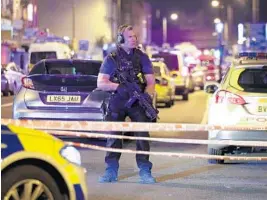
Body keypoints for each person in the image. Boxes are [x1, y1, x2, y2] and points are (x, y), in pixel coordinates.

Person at [97, 24, 156, 184]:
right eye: (130, 36)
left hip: (137, 100)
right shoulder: (112, 58)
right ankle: (111, 171)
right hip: (118, 100)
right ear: (121, 39)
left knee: (142, 136)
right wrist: (119, 87)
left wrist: (147, 96)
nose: (134, 39)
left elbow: (151, 82)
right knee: (114, 136)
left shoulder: (142, 57)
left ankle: (145, 171)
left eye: (135, 36)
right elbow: (101, 83)